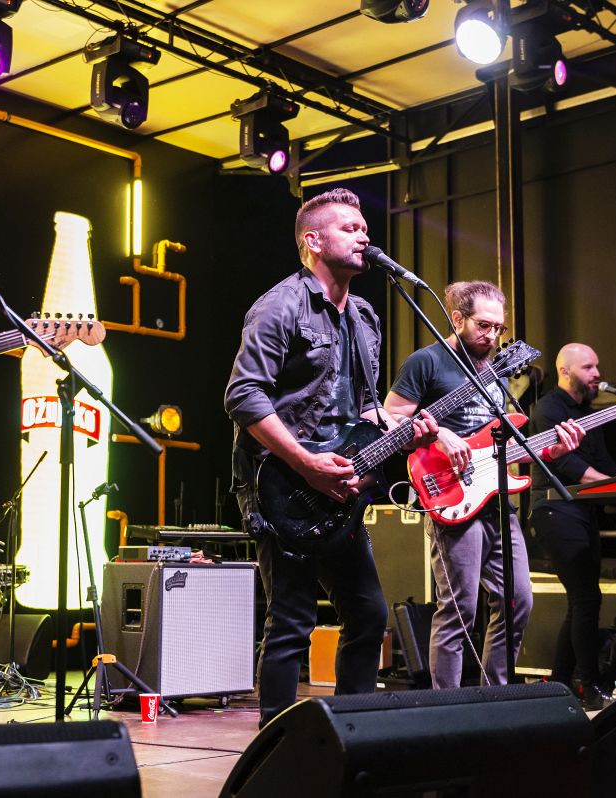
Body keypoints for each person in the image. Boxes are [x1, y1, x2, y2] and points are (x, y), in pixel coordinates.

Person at [225, 188, 437, 727]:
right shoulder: (280, 306)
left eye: (364, 228)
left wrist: (405, 432)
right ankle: (275, 741)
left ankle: (348, 730)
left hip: (340, 488)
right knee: (292, 620)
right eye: (349, 228)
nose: (364, 235)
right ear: (313, 241)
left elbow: (365, 408)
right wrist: (306, 464)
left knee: (367, 615)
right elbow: (243, 396)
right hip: (281, 483)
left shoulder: (364, 317)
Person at [383, 281, 583, 688]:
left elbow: (504, 446)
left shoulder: (496, 373)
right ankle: (448, 707)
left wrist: (552, 450)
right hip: (450, 493)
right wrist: (439, 433)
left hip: (496, 498)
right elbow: (390, 418)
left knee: (518, 600)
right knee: (460, 610)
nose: (492, 335)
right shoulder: (427, 362)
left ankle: (495, 697)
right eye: (483, 325)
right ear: (457, 319)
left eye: (498, 328)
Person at [529, 343, 616, 709]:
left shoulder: (589, 414)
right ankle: (590, 686)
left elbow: (603, 461)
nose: (597, 373)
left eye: (597, 366)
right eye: (588, 367)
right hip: (554, 511)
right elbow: (568, 465)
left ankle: (558, 686)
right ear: (565, 371)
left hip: (582, 511)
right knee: (586, 597)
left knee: (580, 601)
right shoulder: (548, 409)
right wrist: (612, 484)